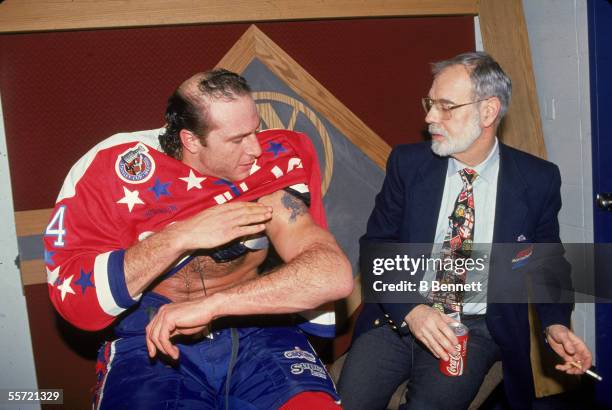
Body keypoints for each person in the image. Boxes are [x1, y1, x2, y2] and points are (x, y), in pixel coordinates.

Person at [43, 69, 353, 409]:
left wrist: (212, 306)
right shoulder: (116, 171)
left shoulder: (268, 173)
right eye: (237, 140)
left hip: (256, 327)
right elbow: (77, 297)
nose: (255, 149)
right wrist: (182, 235)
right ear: (191, 140)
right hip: (152, 334)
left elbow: (333, 274)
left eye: (257, 130)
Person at [337, 52, 592, 409]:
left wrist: (556, 324)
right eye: (430, 103)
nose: (429, 118)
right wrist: (411, 309)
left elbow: (547, 261)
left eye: (445, 106)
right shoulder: (408, 165)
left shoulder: (537, 180)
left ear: (488, 111)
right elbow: (377, 244)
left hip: (475, 328)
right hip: (398, 315)